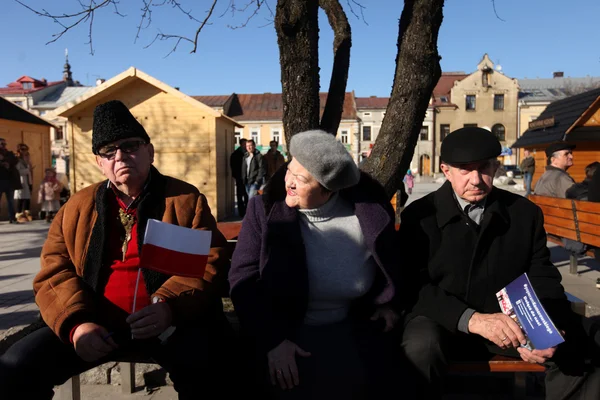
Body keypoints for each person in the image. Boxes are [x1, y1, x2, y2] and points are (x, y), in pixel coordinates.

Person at [0, 100, 235, 399]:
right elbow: (54, 271)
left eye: (130, 146)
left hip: (170, 323)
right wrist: (76, 325)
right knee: (15, 367)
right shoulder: (76, 207)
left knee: (211, 372)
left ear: (149, 152)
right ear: (99, 162)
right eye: (109, 152)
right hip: (94, 325)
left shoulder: (184, 200)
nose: (120, 156)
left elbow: (207, 263)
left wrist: (169, 306)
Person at [399, 127, 600, 399]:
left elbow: (542, 275)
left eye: (484, 168)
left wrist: (545, 328)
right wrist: (471, 319)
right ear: (446, 171)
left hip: (513, 324)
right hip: (444, 321)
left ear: (495, 166)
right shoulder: (420, 216)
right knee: (420, 346)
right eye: (464, 170)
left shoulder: (524, 213)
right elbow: (412, 286)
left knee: (583, 341)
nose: (476, 180)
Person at [229, 130, 405, 399]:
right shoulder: (263, 211)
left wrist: (388, 304)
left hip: (352, 327)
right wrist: (273, 341)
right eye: (290, 170)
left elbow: (391, 264)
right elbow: (243, 279)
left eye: (301, 178)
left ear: (328, 189)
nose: (289, 182)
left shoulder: (367, 215)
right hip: (286, 329)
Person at [0, 137, 20, 223]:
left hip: (9, 181)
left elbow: (14, 160)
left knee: (11, 201)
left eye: (4, 144)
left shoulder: (9, 153)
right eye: (1, 144)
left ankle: (12, 218)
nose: (3, 146)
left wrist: (6, 162)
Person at [13, 143, 34, 223]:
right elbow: (17, 171)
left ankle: (26, 213)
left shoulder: (27, 158)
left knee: (27, 197)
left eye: (25, 149)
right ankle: (19, 214)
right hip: (20, 180)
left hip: (27, 179)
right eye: (22, 149)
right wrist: (27, 170)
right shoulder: (17, 160)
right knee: (20, 198)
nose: (24, 151)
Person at [230, 138, 249, 217]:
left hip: (248, 178)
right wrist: (236, 175)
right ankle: (241, 212)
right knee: (240, 195)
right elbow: (233, 165)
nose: (246, 146)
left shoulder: (249, 154)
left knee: (247, 195)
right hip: (240, 177)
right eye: (244, 144)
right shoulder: (236, 154)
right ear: (241, 144)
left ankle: (247, 211)